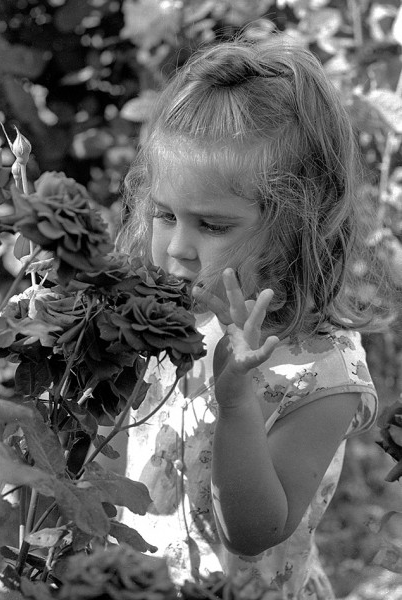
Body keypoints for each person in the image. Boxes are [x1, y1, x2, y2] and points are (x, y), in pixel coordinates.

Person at [118, 33, 385, 599]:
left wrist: (235, 402)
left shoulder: (323, 371)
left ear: (294, 224)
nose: (176, 249)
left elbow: (255, 531)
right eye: (164, 215)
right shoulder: (173, 312)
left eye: (211, 226)